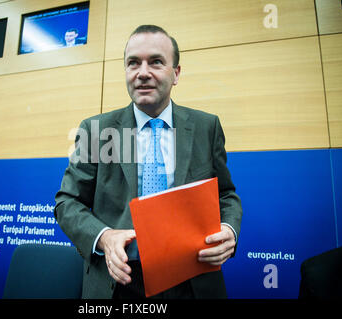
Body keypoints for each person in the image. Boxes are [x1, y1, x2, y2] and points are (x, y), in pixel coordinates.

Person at [54, 25, 243, 299]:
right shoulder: (97, 131)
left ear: (176, 73)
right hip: (118, 281)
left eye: (156, 62)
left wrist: (228, 230)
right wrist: (105, 238)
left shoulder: (206, 127)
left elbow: (225, 194)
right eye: (133, 63)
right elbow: (67, 202)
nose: (143, 73)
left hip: (192, 280)